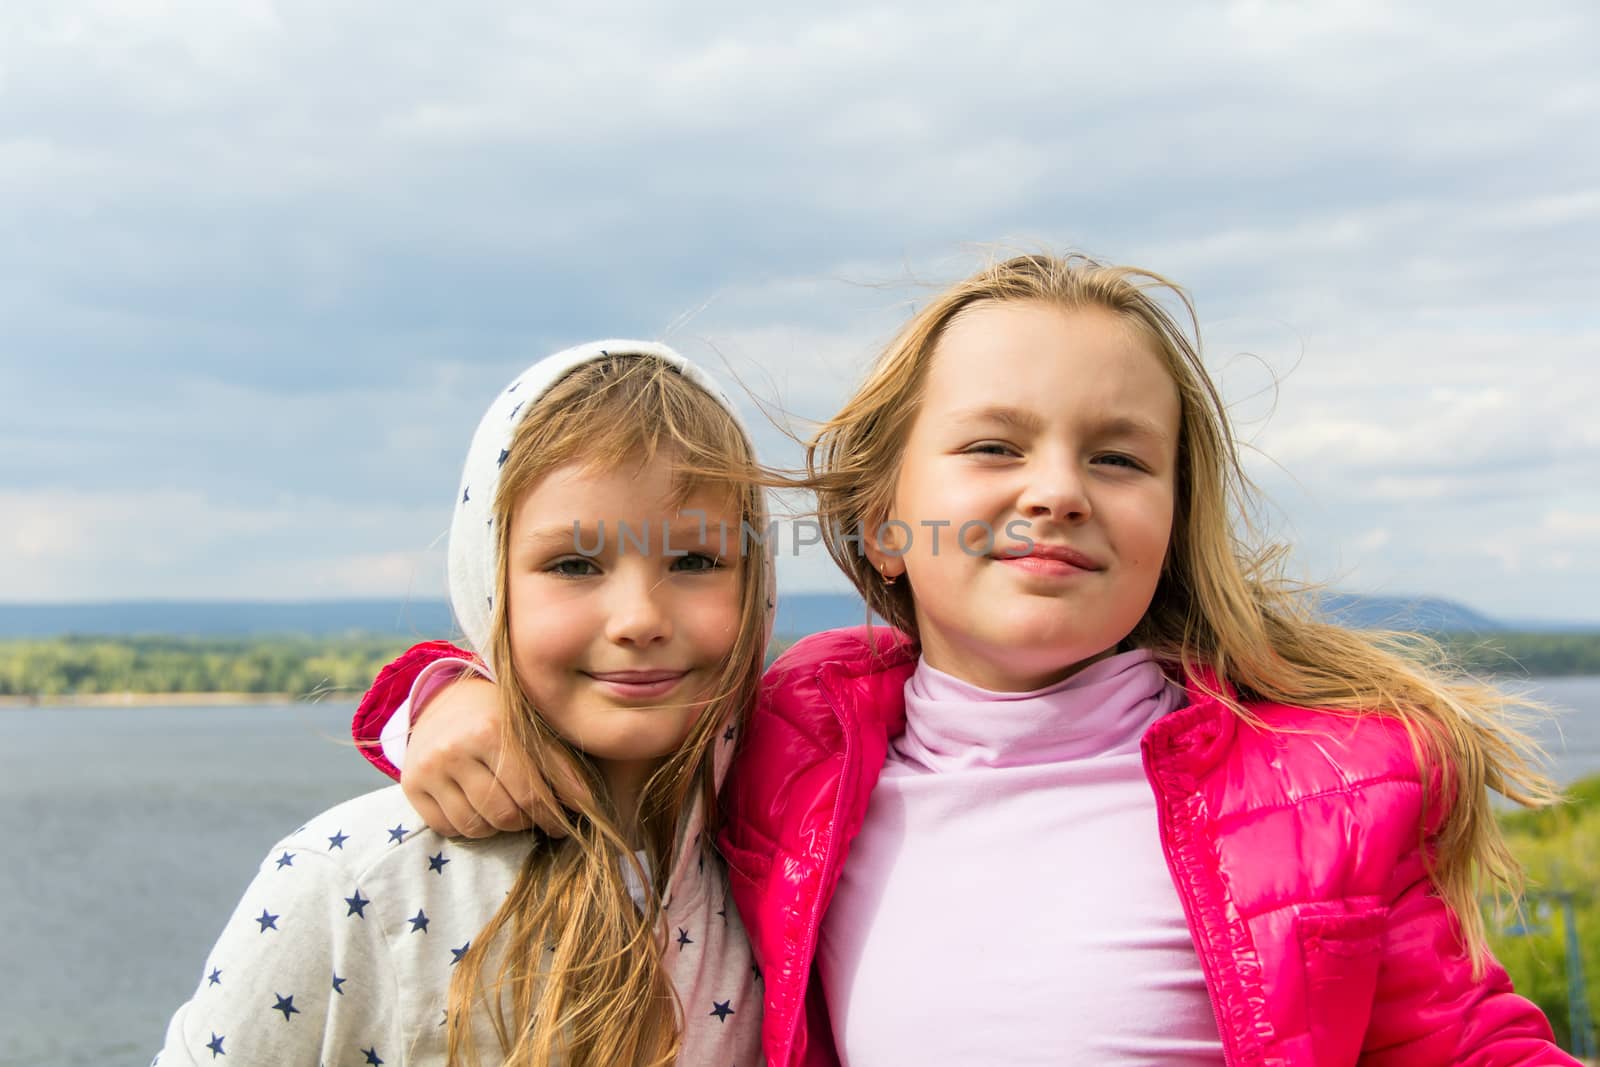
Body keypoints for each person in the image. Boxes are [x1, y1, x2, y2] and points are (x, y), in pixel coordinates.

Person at [349, 255, 1577, 1066]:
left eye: (1117, 458)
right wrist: (444, 699)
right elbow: (608, 704)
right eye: (994, 445)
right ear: (885, 518)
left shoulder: (1319, 789)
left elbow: (1470, 1046)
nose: (1055, 489)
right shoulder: (795, 740)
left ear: (1171, 517)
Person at [156, 343, 770, 1067]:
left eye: (695, 561)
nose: (639, 617)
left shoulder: (797, 854)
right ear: (489, 582)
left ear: (755, 580)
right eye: (574, 564)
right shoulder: (350, 881)